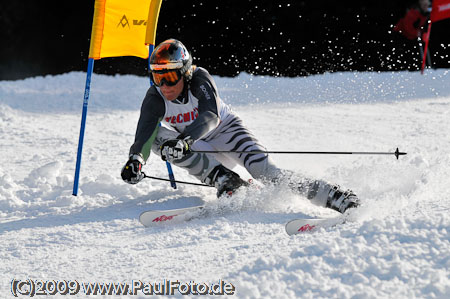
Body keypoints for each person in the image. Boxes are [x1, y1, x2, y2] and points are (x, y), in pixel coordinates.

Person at [121, 39, 359, 214]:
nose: (164, 85)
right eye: (157, 77)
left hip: (228, 131)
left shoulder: (199, 79)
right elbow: (145, 132)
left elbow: (211, 116)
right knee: (158, 139)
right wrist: (136, 160)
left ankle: (336, 196)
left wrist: (184, 141)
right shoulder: (155, 97)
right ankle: (226, 180)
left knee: (266, 173)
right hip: (201, 147)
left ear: (185, 71)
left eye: (170, 77)